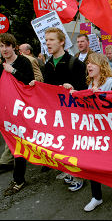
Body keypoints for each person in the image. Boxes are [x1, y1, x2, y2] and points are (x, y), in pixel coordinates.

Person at [30, 27, 87, 191]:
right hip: (56, 116)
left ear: (62, 42)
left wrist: (72, 87)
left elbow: (83, 89)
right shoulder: (47, 65)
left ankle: (80, 176)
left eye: (51, 40)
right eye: (46, 40)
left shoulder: (75, 63)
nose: (47, 43)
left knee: (75, 146)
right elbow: (47, 88)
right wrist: (36, 86)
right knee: (64, 145)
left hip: (73, 115)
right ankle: (70, 171)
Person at [0, 33, 35, 196]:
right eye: (1, 46)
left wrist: (13, 71)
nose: (4, 49)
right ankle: (19, 179)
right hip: (8, 113)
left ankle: (47, 165)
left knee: (26, 143)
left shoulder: (23, 62)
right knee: (17, 145)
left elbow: (30, 84)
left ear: (13, 46)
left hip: (24, 111)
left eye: (7, 45)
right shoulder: (0, 67)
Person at [69, 52, 112, 212]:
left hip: (110, 132)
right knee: (93, 164)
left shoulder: (110, 82)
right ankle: (97, 197)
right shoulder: (88, 84)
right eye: (88, 63)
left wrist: (100, 96)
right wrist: (75, 93)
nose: (88, 66)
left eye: (93, 63)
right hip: (93, 131)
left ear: (101, 66)